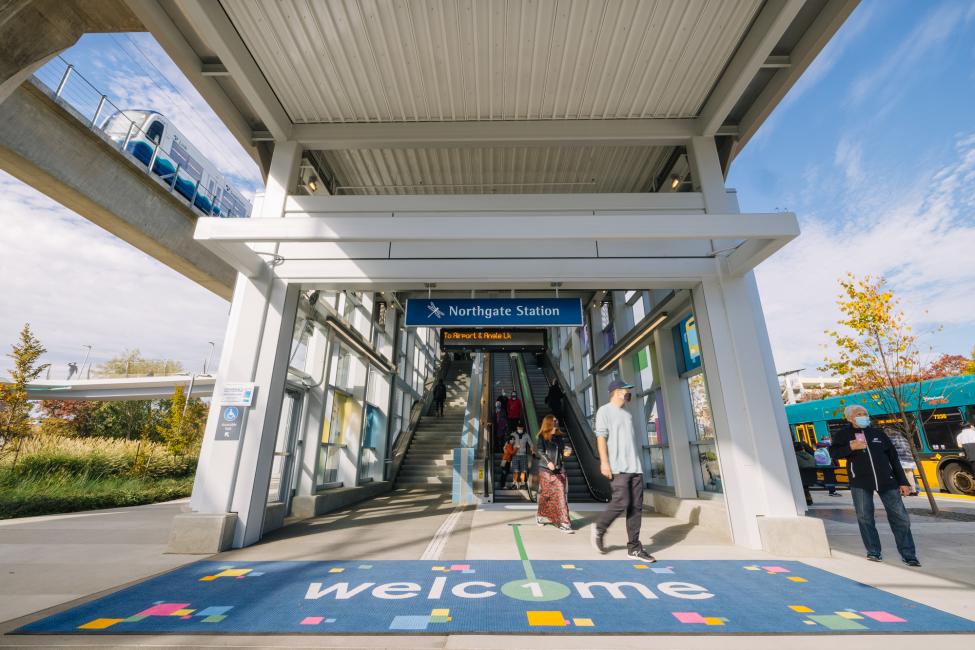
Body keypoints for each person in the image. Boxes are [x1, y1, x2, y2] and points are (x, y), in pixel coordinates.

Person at [831, 405, 920, 566]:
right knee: (865, 517)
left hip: (887, 481)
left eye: (865, 414)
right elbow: (834, 453)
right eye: (859, 414)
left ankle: (908, 554)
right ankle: (873, 551)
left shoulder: (878, 434)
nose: (864, 416)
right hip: (860, 481)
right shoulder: (842, 435)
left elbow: (894, 458)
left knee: (901, 518)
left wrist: (903, 481)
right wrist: (850, 447)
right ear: (850, 418)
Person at [591, 379, 655, 563]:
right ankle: (599, 528)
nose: (629, 393)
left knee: (636, 508)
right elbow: (601, 438)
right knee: (622, 501)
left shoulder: (627, 414)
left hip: (635, 467)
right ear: (618, 392)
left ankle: (634, 547)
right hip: (618, 467)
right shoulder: (605, 411)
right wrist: (604, 462)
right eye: (627, 390)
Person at [534, 414, 573, 533]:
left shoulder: (559, 437)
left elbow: (561, 451)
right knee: (546, 495)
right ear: (549, 422)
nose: (556, 422)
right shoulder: (542, 437)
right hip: (546, 470)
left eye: (557, 421)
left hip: (559, 470)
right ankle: (540, 515)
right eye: (554, 421)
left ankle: (563, 522)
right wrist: (548, 462)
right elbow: (540, 451)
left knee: (560, 493)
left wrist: (567, 451)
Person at [889, 430, 918, 496]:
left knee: (902, 475)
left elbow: (891, 448)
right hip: (910, 459)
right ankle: (913, 490)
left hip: (901, 459)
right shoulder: (904, 438)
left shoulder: (893, 438)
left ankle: (904, 491)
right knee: (910, 475)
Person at [793, 439, 817, 506]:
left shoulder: (794, 457)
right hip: (812, 478)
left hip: (802, 479)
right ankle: (808, 498)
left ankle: (804, 499)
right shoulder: (811, 456)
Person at [509, 423, 533, 489]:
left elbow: (531, 443)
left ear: (523, 428)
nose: (520, 429)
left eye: (521, 428)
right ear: (517, 428)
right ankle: (514, 483)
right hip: (515, 455)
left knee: (524, 470)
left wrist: (532, 450)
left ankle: (523, 483)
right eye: (519, 428)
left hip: (523, 455)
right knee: (515, 470)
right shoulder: (513, 434)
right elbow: (509, 444)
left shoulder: (526, 435)